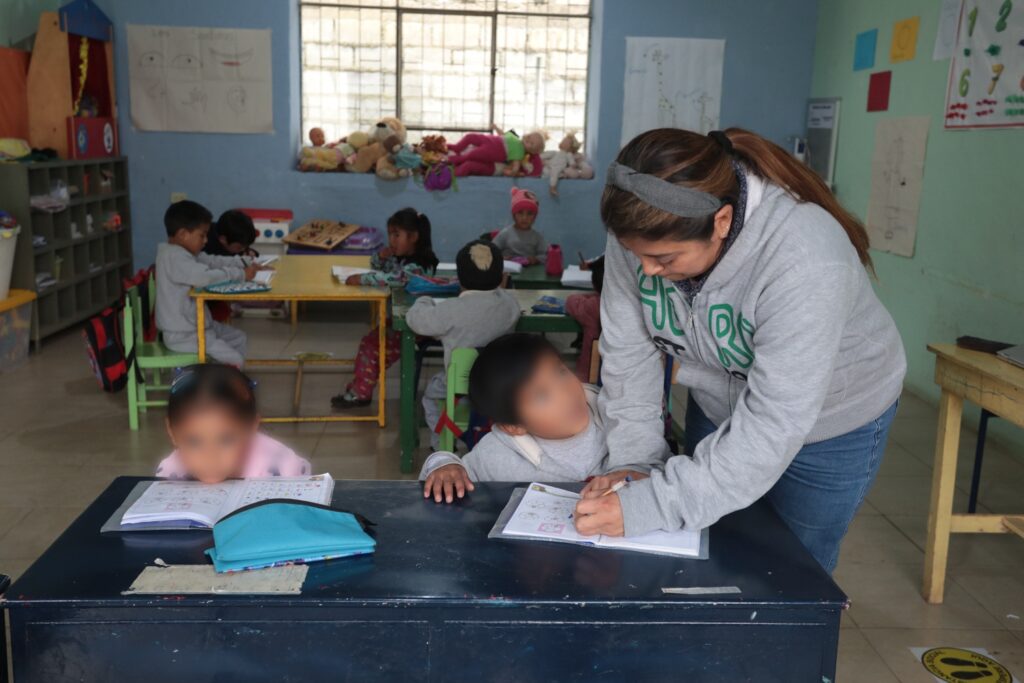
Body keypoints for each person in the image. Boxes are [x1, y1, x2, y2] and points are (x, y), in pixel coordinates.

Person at [573, 127, 906, 573]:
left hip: (831, 422)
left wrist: (648, 504)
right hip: (719, 396)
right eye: (639, 256)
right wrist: (636, 465)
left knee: (795, 567)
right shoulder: (641, 236)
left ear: (722, 221)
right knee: (712, 551)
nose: (647, 271)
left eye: (665, 260)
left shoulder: (805, 256)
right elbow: (629, 358)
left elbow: (774, 422)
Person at [420, 334, 659, 504]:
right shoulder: (499, 454)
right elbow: (455, 471)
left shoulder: (615, 417)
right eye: (542, 395)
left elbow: (656, 465)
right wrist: (444, 466)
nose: (565, 392)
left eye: (560, 372)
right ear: (514, 426)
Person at [406, 240, 521, 447]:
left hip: (459, 385)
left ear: (459, 278)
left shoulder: (452, 310)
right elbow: (505, 297)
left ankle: (442, 445)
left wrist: (423, 300)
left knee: (429, 396)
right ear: (500, 276)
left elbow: (417, 321)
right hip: (498, 383)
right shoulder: (509, 306)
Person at [332, 208, 439, 409]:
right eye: (390, 234)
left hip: (414, 327)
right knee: (370, 343)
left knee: (372, 347)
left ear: (413, 237)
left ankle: (360, 393)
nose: (392, 240)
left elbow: (395, 278)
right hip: (404, 321)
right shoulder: (404, 259)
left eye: (397, 235)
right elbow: (381, 268)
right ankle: (360, 387)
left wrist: (362, 278)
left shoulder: (419, 265)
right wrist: (381, 256)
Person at [156, 364, 311, 483]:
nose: (210, 457)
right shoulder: (170, 474)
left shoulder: (282, 468)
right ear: (172, 432)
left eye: (226, 439)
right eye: (194, 441)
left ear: (251, 428)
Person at [156, 200, 264, 367]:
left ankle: (224, 378)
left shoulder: (185, 253)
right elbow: (205, 277)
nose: (206, 240)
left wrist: (244, 262)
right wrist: (241, 274)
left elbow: (212, 261)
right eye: (202, 235)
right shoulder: (174, 257)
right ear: (183, 234)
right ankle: (224, 381)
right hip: (183, 334)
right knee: (234, 359)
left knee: (239, 338)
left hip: (196, 326)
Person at [565, 255, 604, 381]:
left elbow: (571, 300)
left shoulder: (592, 305)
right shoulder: (631, 304)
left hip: (590, 376)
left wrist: (594, 295)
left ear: (594, 283)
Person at [492, 188, 547, 264]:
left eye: (529, 214)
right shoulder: (505, 233)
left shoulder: (537, 237)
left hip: (530, 270)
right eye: (520, 213)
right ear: (514, 215)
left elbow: (545, 255)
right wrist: (501, 258)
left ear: (534, 217)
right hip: (508, 269)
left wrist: (535, 259)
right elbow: (490, 251)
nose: (524, 218)